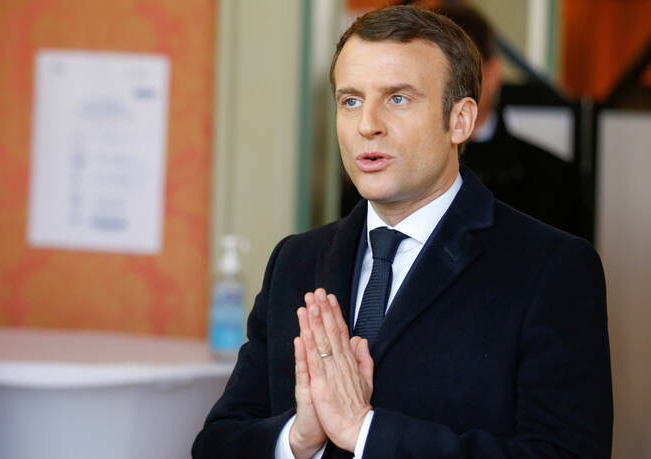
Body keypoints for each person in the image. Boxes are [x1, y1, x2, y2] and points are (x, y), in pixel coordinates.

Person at [193, 6, 612, 458]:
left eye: (397, 99)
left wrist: (365, 432)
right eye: (350, 101)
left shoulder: (551, 268)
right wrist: (298, 439)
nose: (367, 124)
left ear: (460, 120)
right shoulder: (295, 261)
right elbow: (217, 444)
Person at [434, 4, 588, 239]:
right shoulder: (399, 169)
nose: (446, 88)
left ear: (493, 74)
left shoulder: (553, 178)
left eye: (459, 72)